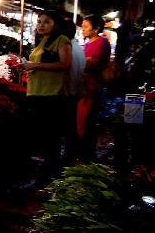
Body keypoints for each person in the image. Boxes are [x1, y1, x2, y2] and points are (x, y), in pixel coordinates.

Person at [22, 11, 72, 168]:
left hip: (52, 95)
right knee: (41, 135)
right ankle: (46, 169)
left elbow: (65, 64)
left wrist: (35, 65)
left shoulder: (62, 40)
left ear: (55, 24)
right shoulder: (40, 42)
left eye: (46, 22)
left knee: (51, 137)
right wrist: (26, 67)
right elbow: (39, 66)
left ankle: (53, 173)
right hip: (36, 92)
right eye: (39, 21)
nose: (41, 25)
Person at [78, 14, 111, 158]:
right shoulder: (88, 43)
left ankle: (86, 155)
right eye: (82, 26)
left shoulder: (101, 42)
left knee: (86, 121)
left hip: (91, 87)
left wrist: (73, 61)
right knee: (81, 120)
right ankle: (83, 153)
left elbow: (93, 62)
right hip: (83, 87)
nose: (82, 29)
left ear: (96, 28)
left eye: (86, 26)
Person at [61, 20, 85, 160]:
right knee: (70, 128)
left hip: (68, 93)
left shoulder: (69, 49)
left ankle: (67, 159)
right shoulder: (77, 48)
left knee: (67, 129)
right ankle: (69, 157)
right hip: (74, 93)